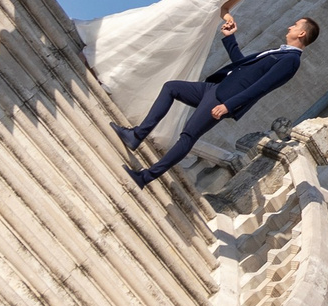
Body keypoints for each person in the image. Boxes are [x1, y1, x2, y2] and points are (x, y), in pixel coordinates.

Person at [77, 0, 266, 135]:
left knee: (167, 48)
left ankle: (118, 77)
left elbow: (225, 7)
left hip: (206, 17)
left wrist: (228, 18)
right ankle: (99, 54)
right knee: (150, 28)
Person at [113, 12, 317, 187]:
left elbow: (260, 88)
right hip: (214, 88)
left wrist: (228, 106)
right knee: (171, 87)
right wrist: (229, 38)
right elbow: (242, 65)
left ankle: (145, 177)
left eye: (296, 25)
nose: (291, 26)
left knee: (188, 136)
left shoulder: (290, 60)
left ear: (302, 33)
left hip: (224, 99)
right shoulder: (281, 52)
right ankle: (136, 135)